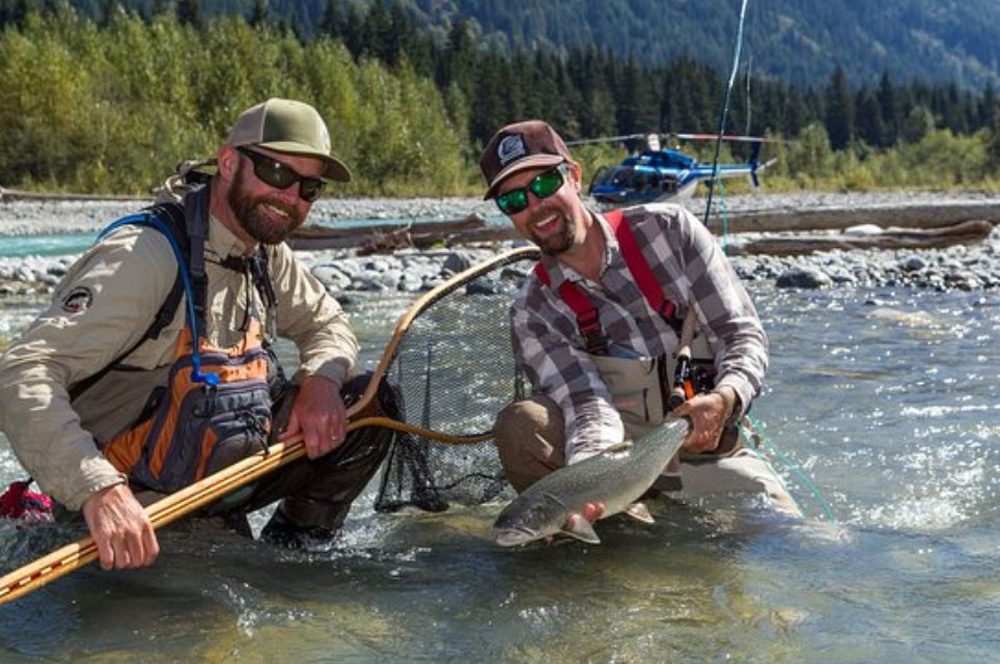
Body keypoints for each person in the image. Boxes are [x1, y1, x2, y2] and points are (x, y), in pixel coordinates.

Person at [0, 98, 398, 568]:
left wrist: (321, 380)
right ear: (228, 162)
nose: (291, 197)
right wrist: (96, 488)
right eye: (275, 172)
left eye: (309, 186)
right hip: (134, 494)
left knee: (367, 401)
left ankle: (296, 554)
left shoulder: (261, 251)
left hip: (223, 471)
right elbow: (22, 371)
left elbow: (327, 322)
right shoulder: (145, 258)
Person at [479, 119, 799, 520]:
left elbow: (741, 336)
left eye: (543, 185)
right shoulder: (533, 313)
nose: (534, 207)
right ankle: (611, 530)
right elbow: (585, 406)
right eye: (513, 201)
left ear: (574, 177)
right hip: (620, 467)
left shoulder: (671, 232)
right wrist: (589, 482)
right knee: (522, 424)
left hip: (709, 455)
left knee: (791, 540)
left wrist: (726, 397)